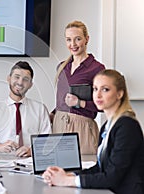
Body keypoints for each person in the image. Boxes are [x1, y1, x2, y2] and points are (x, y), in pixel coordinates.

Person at [43, 69, 144, 194]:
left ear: (119, 94)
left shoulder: (127, 126)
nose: (98, 95)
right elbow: (100, 168)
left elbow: (112, 177)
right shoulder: (108, 126)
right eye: (95, 89)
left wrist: (66, 181)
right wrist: (68, 175)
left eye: (105, 89)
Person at [50, 21, 105, 154]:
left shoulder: (97, 68)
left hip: (83, 128)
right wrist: (53, 114)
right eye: (69, 40)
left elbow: (104, 104)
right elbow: (62, 100)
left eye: (78, 39)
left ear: (87, 39)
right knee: (59, 170)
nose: (73, 44)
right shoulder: (62, 67)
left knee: (83, 171)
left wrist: (80, 103)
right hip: (59, 125)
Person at [0, 61, 51, 157]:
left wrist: (32, 151)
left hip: (30, 161)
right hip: (2, 161)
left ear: (30, 84)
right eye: (17, 77)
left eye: (25, 79)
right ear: (9, 78)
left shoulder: (40, 109)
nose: (20, 82)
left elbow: (48, 142)